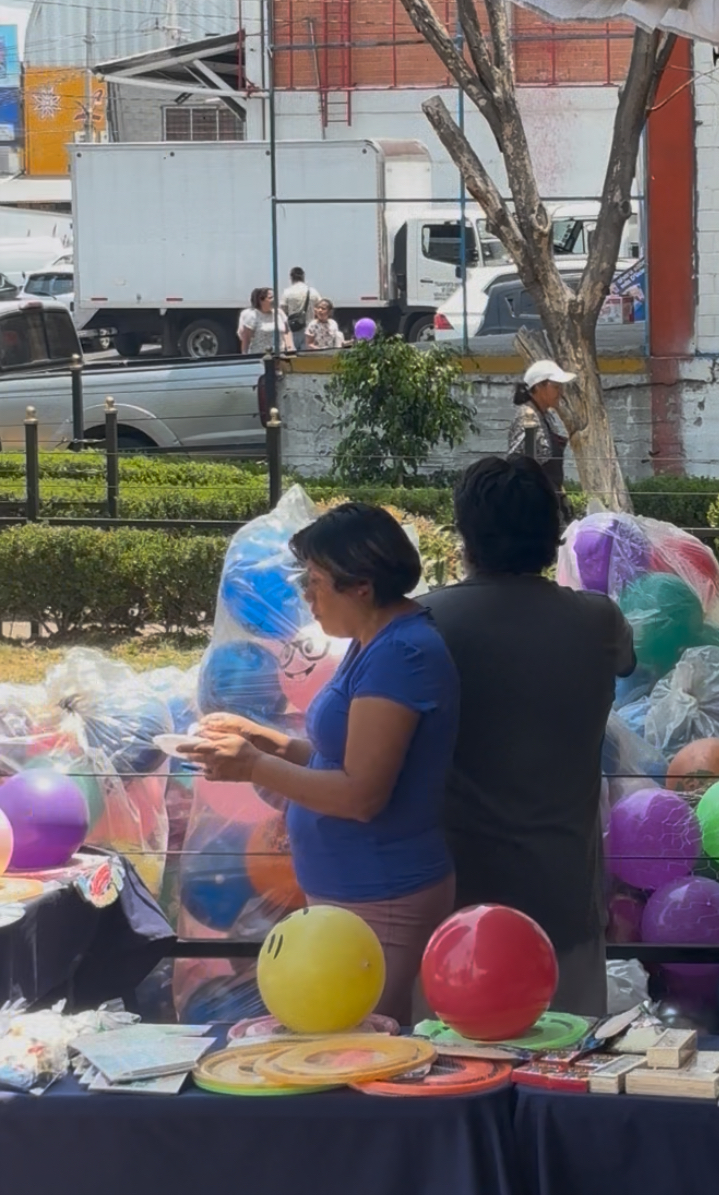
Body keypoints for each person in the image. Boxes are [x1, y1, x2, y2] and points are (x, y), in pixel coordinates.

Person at [185, 503, 459, 1026]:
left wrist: (252, 767)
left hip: (383, 891)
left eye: (315, 583)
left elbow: (361, 795)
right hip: (350, 886)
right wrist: (266, 741)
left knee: (365, 1048)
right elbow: (339, 759)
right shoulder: (372, 641)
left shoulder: (402, 654)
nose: (307, 598)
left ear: (361, 586)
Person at [419, 456, 636, 1016]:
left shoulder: (421, 625)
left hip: (452, 920)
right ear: (551, 532)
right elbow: (627, 663)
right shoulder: (599, 623)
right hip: (565, 907)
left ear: (464, 533)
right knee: (568, 1080)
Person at [508, 360, 574, 521]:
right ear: (538, 387)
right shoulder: (529, 419)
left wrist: (562, 495)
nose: (560, 392)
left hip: (549, 498)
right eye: (556, 387)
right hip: (533, 505)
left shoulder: (546, 417)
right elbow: (525, 465)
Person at [238, 287, 293, 355]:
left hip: (279, 356)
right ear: (261, 300)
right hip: (259, 356)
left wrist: (290, 348)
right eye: (270, 298)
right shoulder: (252, 315)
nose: (274, 300)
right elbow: (246, 339)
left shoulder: (279, 313)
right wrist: (245, 355)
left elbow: (286, 332)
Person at [281, 266, 320, 351]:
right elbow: (319, 307)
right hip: (310, 328)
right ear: (303, 277)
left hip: (294, 329)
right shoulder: (312, 291)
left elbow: (283, 311)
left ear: (291, 277)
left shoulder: (287, 292)